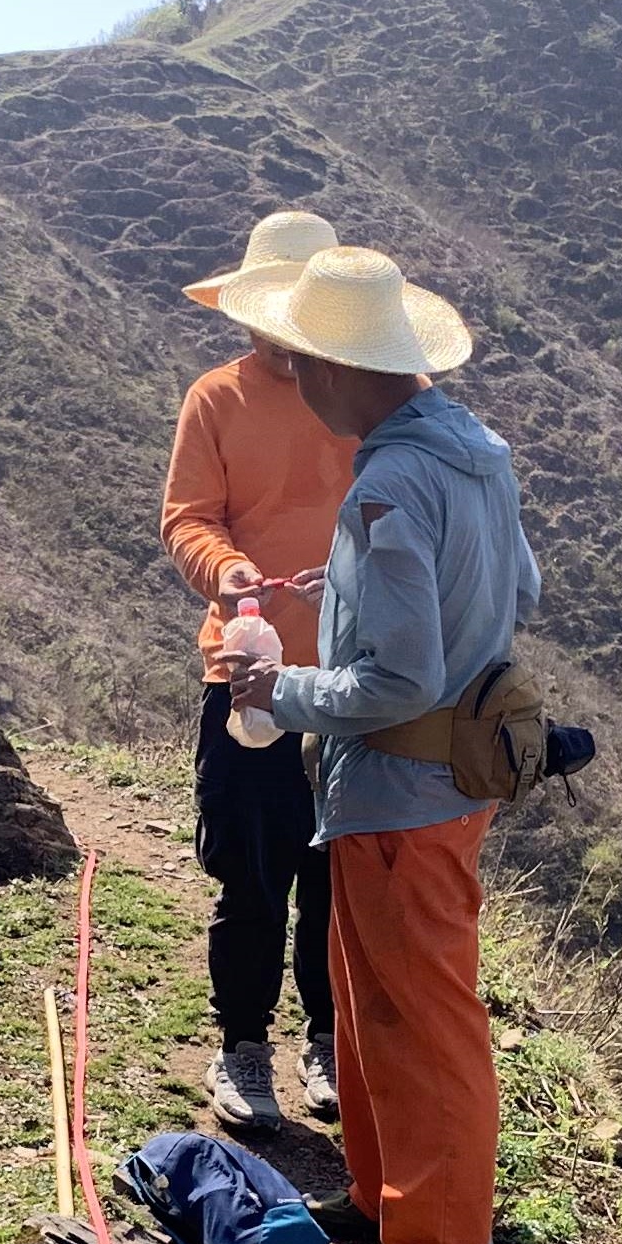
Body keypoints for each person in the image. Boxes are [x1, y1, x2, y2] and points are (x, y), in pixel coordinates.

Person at [221, 245, 539, 1244]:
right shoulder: (473, 452)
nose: (296, 380)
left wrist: (282, 684)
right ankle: (383, 1198)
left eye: (305, 359)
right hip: (453, 773)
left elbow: (393, 676)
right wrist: (349, 585)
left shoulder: (391, 479)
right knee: (371, 1005)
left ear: (346, 368)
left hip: (401, 787)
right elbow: (516, 586)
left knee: (422, 1021)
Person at [160, 209, 357, 1133]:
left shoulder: (376, 397)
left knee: (339, 874)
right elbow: (189, 518)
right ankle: (244, 1045)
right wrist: (229, 572)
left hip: (361, 682)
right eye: (264, 311)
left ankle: (327, 1041)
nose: (275, 331)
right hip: (247, 670)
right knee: (252, 871)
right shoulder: (218, 399)